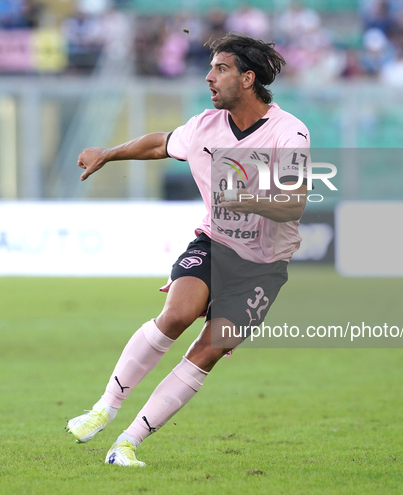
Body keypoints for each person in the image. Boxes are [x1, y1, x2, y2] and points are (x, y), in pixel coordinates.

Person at [66, 33, 311, 467]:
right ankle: (104, 407)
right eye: (211, 68)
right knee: (177, 314)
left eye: (220, 69)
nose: (208, 77)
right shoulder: (204, 127)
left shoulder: (288, 132)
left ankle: (128, 443)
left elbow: (293, 201)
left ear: (248, 79)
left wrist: (244, 196)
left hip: (264, 265)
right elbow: (161, 143)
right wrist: (109, 153)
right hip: (215, 244)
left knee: (209, 349)